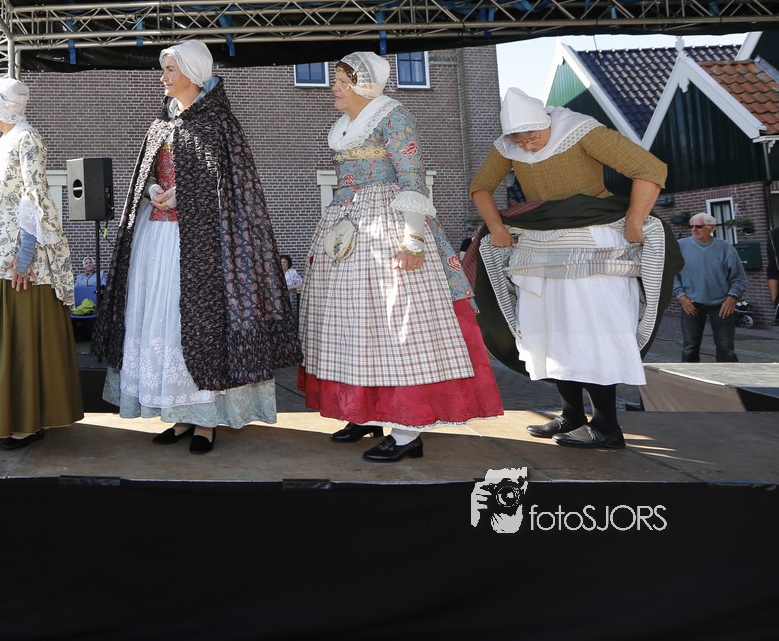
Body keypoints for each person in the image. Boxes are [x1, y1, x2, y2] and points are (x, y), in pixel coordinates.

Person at [94, 41, 301, 454]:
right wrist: (153, 188)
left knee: (196, 323)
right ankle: (180, 415)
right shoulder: (162, 122)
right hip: (157, 237)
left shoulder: (219, 123)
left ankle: (206, 420)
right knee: (161, 321)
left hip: (202, 245)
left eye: (170, 69)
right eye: (164, 69)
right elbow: (147, 173)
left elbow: (233, 187)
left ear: (192, 73)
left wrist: (184, 195)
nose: (163, 77)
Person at [298, 52, 502, 462]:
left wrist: (413, 239)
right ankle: (364, 413)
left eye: (342, 81)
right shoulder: (344, 126)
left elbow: (412, 178)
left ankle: (407, 432)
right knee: (352, 324)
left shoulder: (393, 116)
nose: (334, 87)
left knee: (397, 323)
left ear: (364, 85)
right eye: (336, 80)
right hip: (347, 223)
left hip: (387, 221)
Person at [470, 88, 678, 450]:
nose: (528, 147)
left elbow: (650, 168)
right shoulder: (508, 146)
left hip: (592, 244)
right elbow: (481, 187)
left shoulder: (581, 131)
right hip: (541, 248)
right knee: (550, 331)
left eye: (533, 138)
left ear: (546, 122)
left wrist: (635, 219)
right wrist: (496, 227)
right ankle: (572, 415)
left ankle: (607, 426)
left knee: (592, 330)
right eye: (520, 142)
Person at [0, 76, 82, 449]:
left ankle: (25, 418)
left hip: (16, 250)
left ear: (3, 106)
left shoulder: (27, 139)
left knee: (16, 329)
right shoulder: (6, 141)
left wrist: (24, 258)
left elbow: (35, 197)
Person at [674, 213, 747, 363]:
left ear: (711, 227)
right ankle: (689, 376)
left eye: (699, 226)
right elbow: (671, 274)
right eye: (691, 226)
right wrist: (681, 297)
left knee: (726, 348)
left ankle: (729, 377)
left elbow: (739, 278)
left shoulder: (725, 248)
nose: (694, 229)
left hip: (722, 304)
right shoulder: (680, 246)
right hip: (691, 302)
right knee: (689, 347)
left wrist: (732, 297)